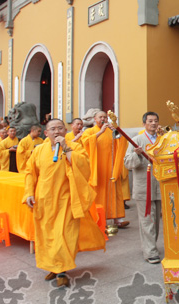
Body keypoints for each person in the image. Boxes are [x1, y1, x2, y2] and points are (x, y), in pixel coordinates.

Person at [24, 119, 106, 287]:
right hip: (44, 200)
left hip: (67, 200)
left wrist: (66, 148)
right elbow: (29, 172)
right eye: (53, 129)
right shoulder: (38, 151)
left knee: (64, 235)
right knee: (47, 236)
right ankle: (53, 266)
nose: (57, 132)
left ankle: (61, 270)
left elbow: (84, 166)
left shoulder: (74, 147)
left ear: (65, 131)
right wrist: (29, 193)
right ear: (46, 133)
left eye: (60, 128)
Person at [123, 111, 162, 264]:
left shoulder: (162, 139)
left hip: (159, 184)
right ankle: (150, 251)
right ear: (144, 123)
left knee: (156, 221)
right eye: (150, 121)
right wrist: (137, 155)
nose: (153, 123)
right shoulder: (136, 140)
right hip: (143, 186)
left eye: (156, 121)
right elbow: (127, 163)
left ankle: (150, 245)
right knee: (147, 220)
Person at [81, 110, 129, 233]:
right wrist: (100, 132)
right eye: (100, 117)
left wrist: (117, 131)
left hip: (112, 167)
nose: (103, 119)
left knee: (114, 191)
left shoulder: (111, 130)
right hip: (98, 167)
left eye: (104, 117)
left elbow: (122, 142)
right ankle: (98, 218)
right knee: (98, 192)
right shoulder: (90, 131)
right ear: (94, 119)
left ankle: (117, 219)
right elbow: (85, 142)